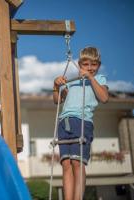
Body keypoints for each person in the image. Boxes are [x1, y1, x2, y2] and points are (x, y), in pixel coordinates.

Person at [53, 46, 109, 200]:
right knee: (66, 164)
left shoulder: (99, 79)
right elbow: (57, 100)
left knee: (77, 162)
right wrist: (56, 86)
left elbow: (104, 98)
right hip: (64, 122)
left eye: (94, 64)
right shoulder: (72, 82)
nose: (90, 68)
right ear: (79, 64)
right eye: (86, 64)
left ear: (98, 65)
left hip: (82, 122)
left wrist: (90, 78)